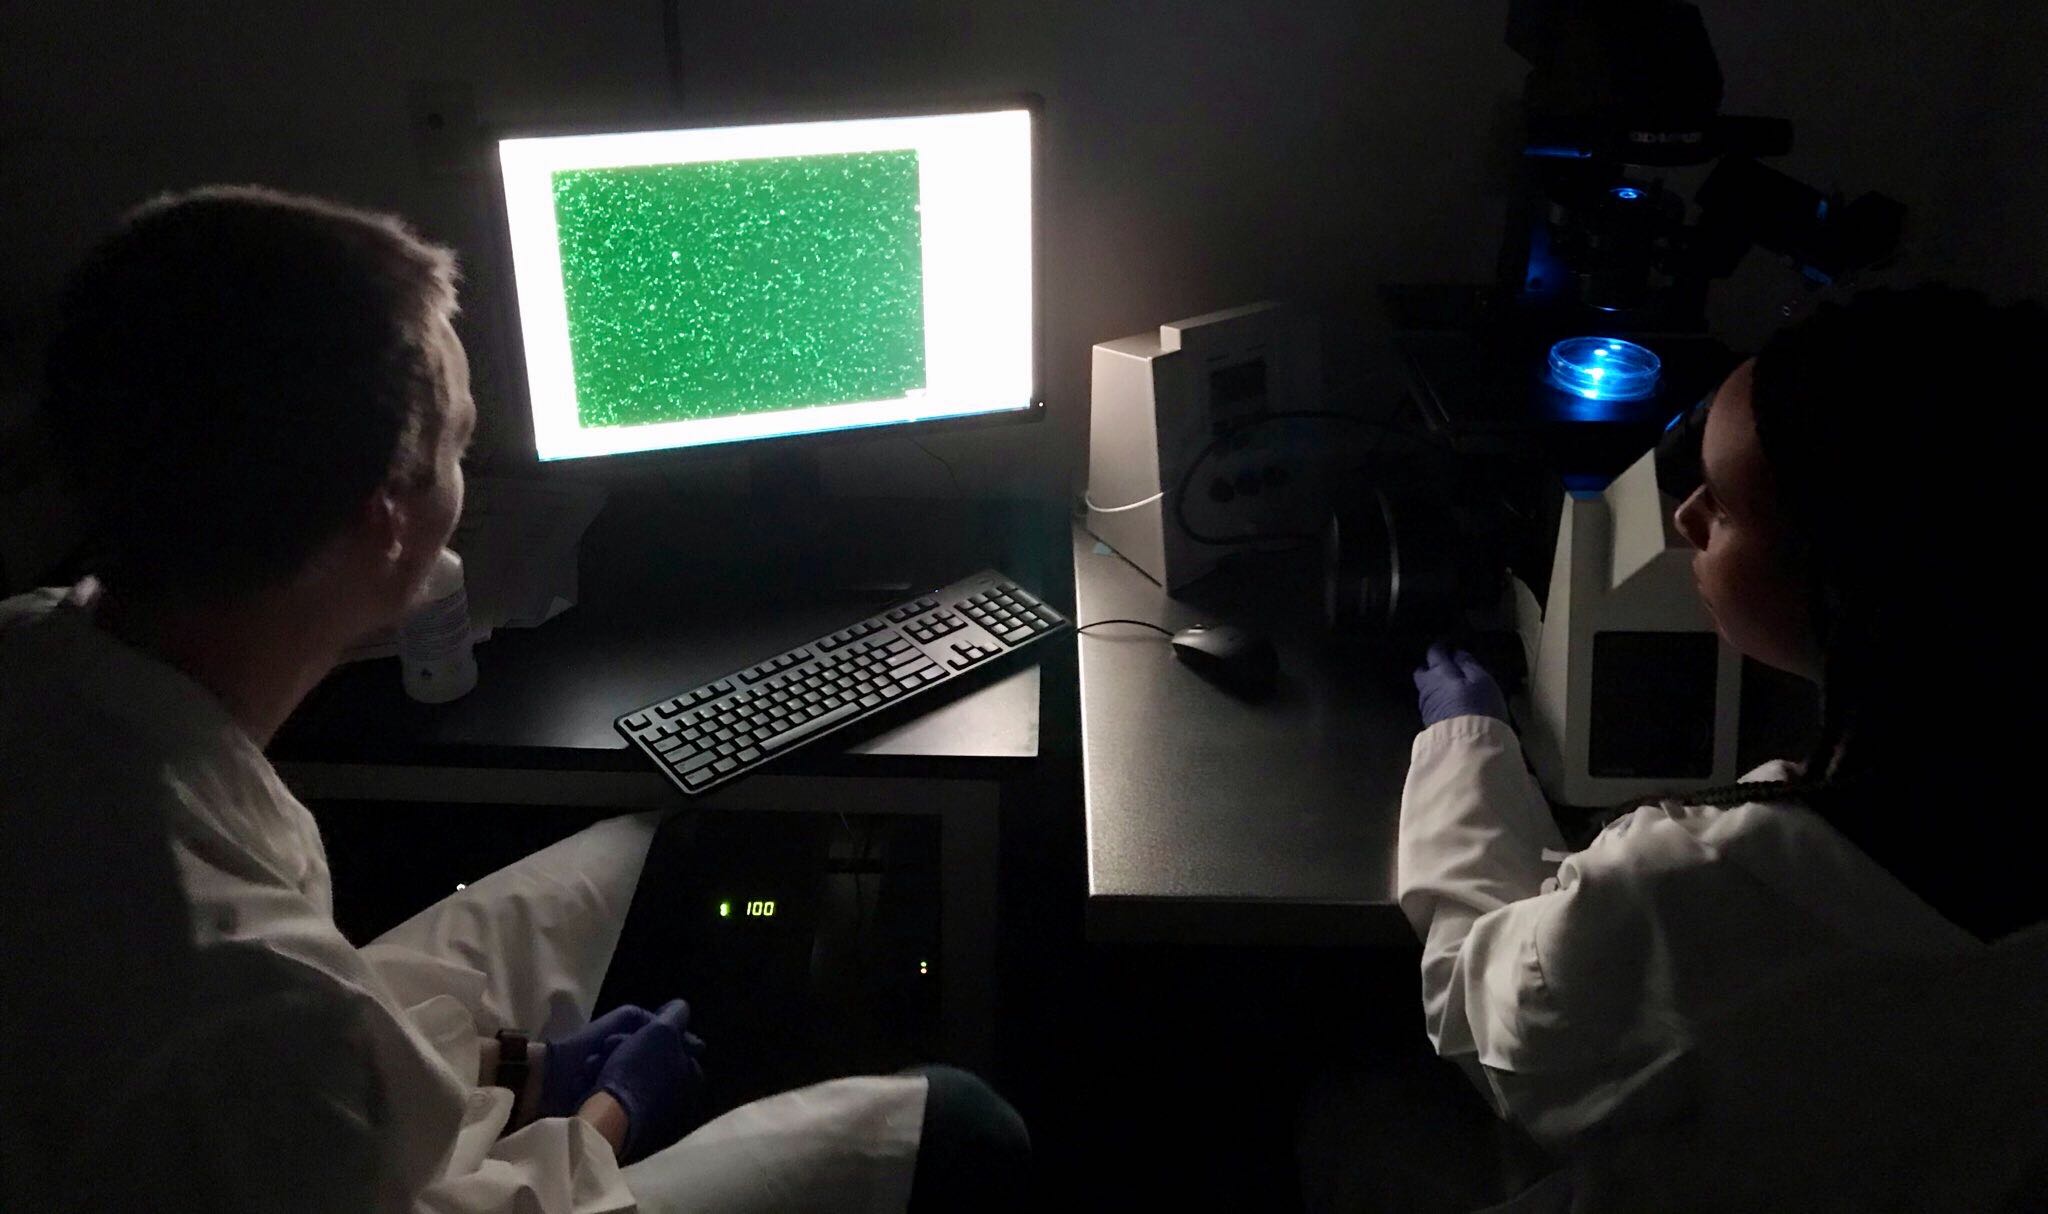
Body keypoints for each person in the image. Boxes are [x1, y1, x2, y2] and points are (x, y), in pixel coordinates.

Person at [0, 186, 1027, 1213]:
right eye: (461, 448)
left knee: (650, 835)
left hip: (276, 1092)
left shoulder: (35, 644)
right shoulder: (258, 1002)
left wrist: (508, 1064)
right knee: (962, 1123)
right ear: (386, 521)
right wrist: (606, 1117)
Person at [1396, 287, 2048, 1211]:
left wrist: (1466, 746)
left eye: (1728, 506)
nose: (1684, 517)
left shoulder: (1700, 893)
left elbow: (1488, 1018)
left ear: (1852, 574)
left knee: (1353, 1119)